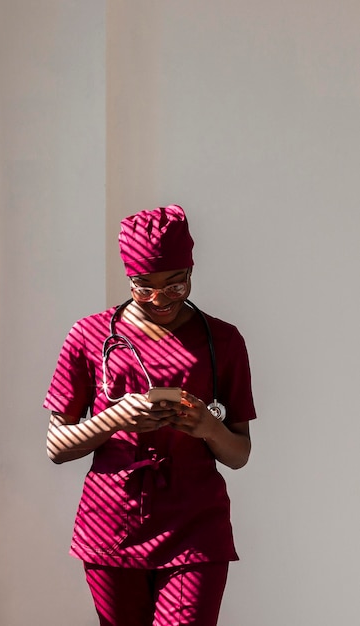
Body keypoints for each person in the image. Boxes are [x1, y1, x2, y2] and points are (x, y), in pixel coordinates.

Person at [43, 205, 257, 626]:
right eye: (145, 287)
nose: (160, 299)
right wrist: (115, 418)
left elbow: (238, 453)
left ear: (191, 270)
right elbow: (55, 447)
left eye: (176, 285)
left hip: (196, 528)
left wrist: (208, 427)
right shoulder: (88, 336)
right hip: (110, 526)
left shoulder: (224, 340)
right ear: (128, 277)